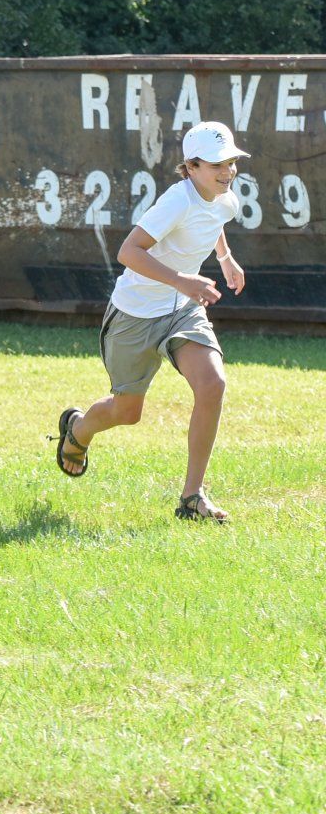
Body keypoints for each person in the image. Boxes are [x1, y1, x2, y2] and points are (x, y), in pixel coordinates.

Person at [53, 121, 247, 521]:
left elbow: (213, 221)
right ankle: (78, 429)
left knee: (213, 384)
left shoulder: (224, 197)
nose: (227, 171)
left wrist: (226, 259)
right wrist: (182, 280)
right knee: (128, 412)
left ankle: (192, 497)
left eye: (230, 162)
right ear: (191, 167)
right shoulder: (176, 201)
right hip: (135, 314)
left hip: (182, 310)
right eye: (216, 164)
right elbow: (128, 251)